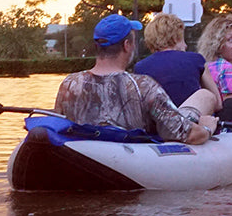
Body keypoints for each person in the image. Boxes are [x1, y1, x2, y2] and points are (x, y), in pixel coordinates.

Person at [54, 14, 215, 144]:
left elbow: (59, 124)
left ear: (97, 46)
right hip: (131, 160)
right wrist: (206, 128)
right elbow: (189, 135)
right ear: (126, 45)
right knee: (205, 96)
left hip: (87, 154)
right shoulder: (143, 86)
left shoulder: (70, 84)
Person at [135, 12, 222, 133]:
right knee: (206, 95)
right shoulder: (196, 60)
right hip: (187, 128)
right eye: (183, 39)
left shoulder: (139, 67)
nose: (185, 46)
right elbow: (217, 103)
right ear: (176, 38)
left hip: (155, 130)